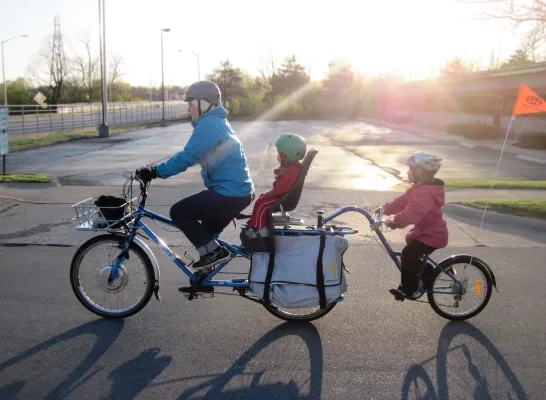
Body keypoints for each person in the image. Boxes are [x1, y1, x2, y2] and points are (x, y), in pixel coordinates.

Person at [135, 80, 254, 271]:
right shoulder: (216, 121)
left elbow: (187, 157)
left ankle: (214, 254)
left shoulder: (209, 126)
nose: (189, 109)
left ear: (204, 103)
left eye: (191, 104)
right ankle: (204, 281)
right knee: (205, 237)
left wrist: (155, 171)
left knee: (179, 212)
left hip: (229, 192)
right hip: (236, 191)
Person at [379, 151, 449, 301]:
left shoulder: (425, 193)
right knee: (413, 253)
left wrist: (396, 221)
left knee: (408, 253)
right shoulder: (419, 188)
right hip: (424, 233)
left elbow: (413, 213)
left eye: (410, 169)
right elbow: (403, 201)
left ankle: (408, 289)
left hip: (433, 235)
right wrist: (386, 209)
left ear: (420, 171)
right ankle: (428, 272)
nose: (407, 172)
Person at [244, 133, 306, 238]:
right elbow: (283, 177)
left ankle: (259, 229)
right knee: (262, 198)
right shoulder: (293, 167)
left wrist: (271, 192)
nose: (277, 156)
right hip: (285, 197)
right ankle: (258, 221)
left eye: (279, 153)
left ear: (285, 155)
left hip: (284, 199)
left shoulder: (291, 171)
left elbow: (280, 190)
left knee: (262, 204)